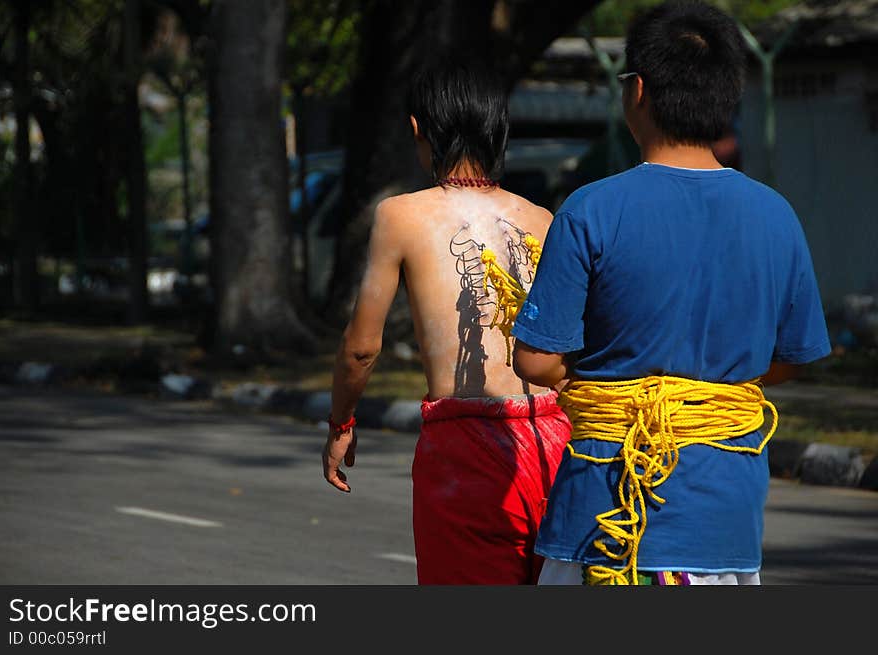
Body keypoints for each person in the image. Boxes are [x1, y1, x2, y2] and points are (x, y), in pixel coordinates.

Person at [510, 0, 831, 586]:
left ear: (638, 91)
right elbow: (791, 359)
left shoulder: (591, 209)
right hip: (723, 523)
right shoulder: (776, 216)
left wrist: (622, 389)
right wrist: (698, 394)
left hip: (601, 522)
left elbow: (534, 359)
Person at [322, 58, 572, 584]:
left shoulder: (400, 215)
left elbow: (362, 347)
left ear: (418, 129)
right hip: (555, 437)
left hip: (468, 447)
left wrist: (341, 423)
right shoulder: (543, 219)